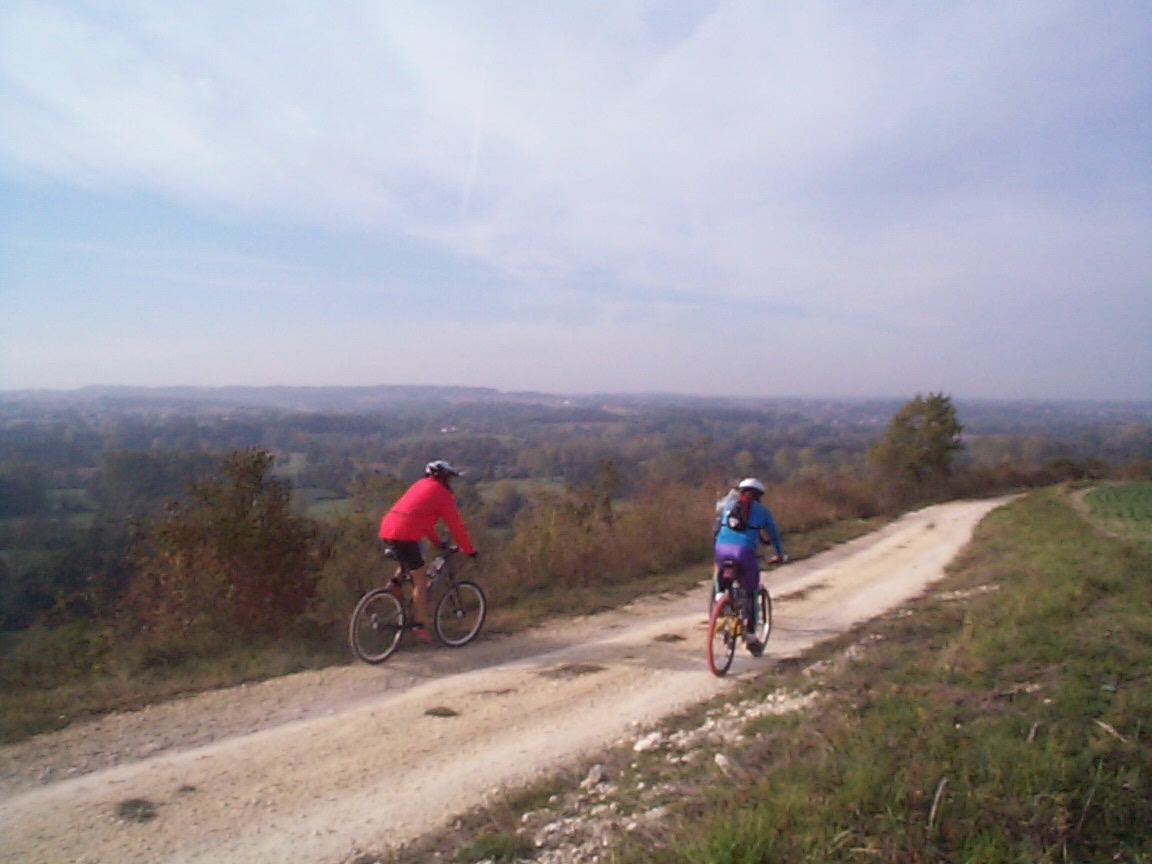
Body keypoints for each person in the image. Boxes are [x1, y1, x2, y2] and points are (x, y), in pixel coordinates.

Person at [379, 460, 477, 642]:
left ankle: (394, 585)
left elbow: (422, 523)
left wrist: (437, 542)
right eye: (449, 479)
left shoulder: (419, 485)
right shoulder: (442, 494)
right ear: (443, 478)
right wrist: (468, 550)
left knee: (410, 559)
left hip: (388, 528)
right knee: (420, 581)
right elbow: (456, 526)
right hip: (406, 534)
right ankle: (419, 625)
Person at [713, 477, 786, 656]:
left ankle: (719, 603)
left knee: (721, 580)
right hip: (744, 553)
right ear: (759, 495)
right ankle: (751, 636)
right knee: (751, 592)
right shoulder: (762, 511)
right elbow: (773, 536)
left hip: (721, 550)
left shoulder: (727, 506)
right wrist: (779, 554)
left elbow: (717, 529)